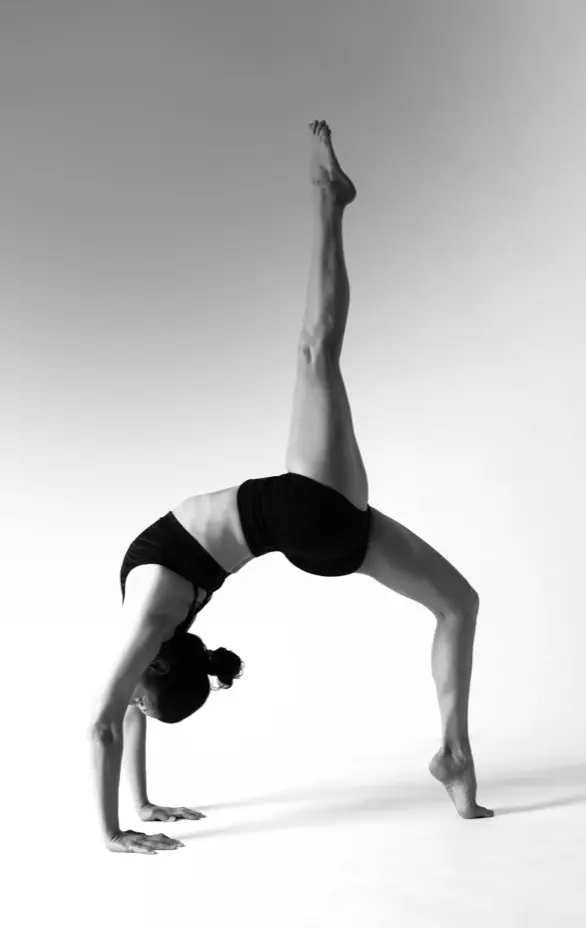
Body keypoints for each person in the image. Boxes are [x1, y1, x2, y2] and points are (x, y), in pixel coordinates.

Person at [90, 119, 494, 855]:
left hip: (315, 539)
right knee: (315, 352)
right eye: (142, 691)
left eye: (141, 695)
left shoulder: (158, 629)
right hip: (303, 512)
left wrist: (139, 804)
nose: (132, 700)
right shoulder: (151, 621)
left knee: (458, 604)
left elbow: (124, 716)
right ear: (160, 664)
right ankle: (329, 200)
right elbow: (106, 723)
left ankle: (455, 756)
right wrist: (116, 830)